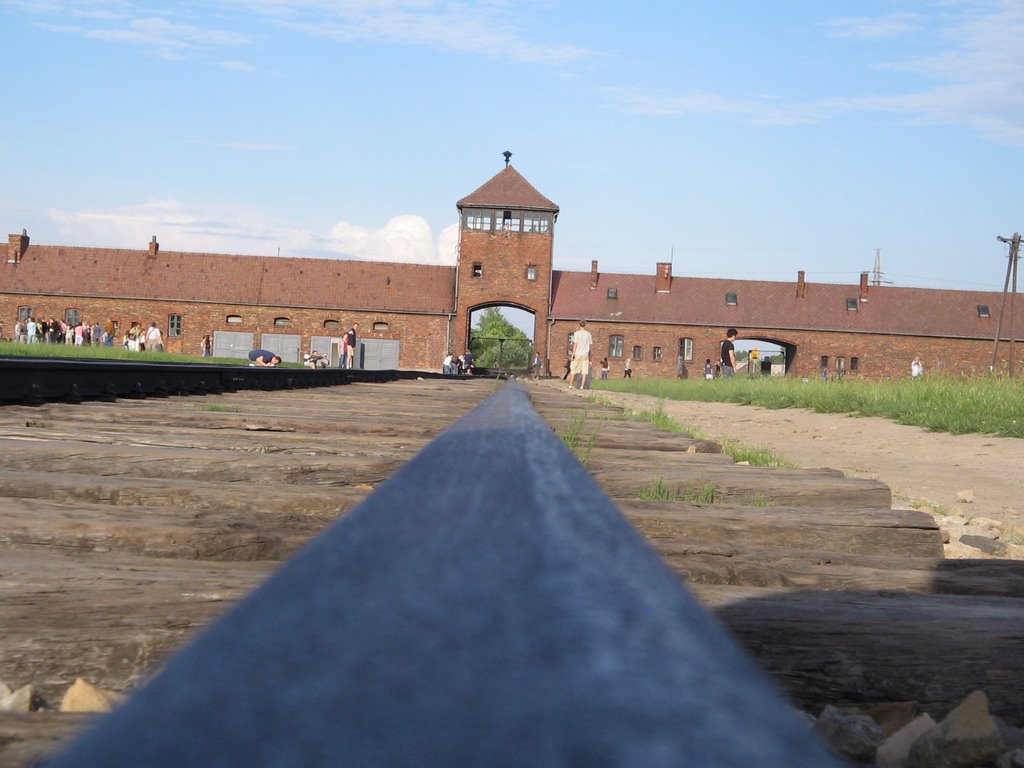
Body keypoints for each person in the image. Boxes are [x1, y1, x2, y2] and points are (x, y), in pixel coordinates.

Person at [568, 319, 592, 390]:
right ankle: (582, 386)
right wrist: (590, 358)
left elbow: (575, 345)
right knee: (584, 371)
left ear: (579, 325)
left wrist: (573, 355)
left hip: (578, 353)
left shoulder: (576, 334)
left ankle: (570, 385)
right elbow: (590, 347)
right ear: (585, 325)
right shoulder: (588, 334)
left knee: (573, 369)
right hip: (585, 354)